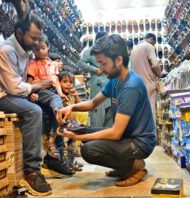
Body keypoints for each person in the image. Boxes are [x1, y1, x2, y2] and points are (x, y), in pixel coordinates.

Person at [56, 34, 156, 187]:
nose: (100, 69)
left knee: (88, 150)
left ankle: (135, 167)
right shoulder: (115, 80)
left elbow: (115, 133)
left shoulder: (131, 86)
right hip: (126, 136)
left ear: (119, 60)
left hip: (140, 142)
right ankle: (124, 167)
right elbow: (92, 103)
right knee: (83, 131)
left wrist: (75, 137)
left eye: (103, 64)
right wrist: (71, 107)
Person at [0, 13, 53, 196]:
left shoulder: (25, 51)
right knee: (34, 111)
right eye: (34, 38)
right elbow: (14, 87)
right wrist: (34, 87)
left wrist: (30, 92)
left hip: (9, 94)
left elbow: (18, 85)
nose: (37, 43)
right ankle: (32, 171)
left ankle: (53, 157)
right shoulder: (7, 50)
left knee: (46, 105)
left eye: (39, 39)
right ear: (20, 33)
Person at [27, 34, 74, 177]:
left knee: (58, 109)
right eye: (36, 49)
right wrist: (31, 92)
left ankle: (55, 157)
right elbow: (28, 84)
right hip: (40, 93)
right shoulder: (32, 64)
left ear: (48, 47)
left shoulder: (53, 65)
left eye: (43, 48)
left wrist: (61, 94)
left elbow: (56, 82)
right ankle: (53, 151)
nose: (40, 52)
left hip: (52, 94)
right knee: (57, 109)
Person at [77, 32, 112, 127]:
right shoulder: (90, 51)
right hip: (98, 84)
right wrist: (95, 70)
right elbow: (80, 63)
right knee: (97, 115)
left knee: (109, 114)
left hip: (109, 83)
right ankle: (96, 138)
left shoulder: (109, 51)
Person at [58, 71, 88, 171]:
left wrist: (75, 96)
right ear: (59, 83)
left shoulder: (71, 95)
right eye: (65, 81)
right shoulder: (60, 96)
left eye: (71, 82)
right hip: (63, 126)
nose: (68, 84)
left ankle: (70, 163)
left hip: (72, 126)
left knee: (72, 145)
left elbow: (79, 106)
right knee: (65, 147)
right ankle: (65, 165)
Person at [130, 33, 163, 124]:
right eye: (154, 43)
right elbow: (155, 64)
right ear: (152, 39)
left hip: (136, 86)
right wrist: (159, 73)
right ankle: (151, 137)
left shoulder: (134, 49)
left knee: (140, 114)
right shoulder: (148, 46)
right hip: (148, 85)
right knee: (151, 113)